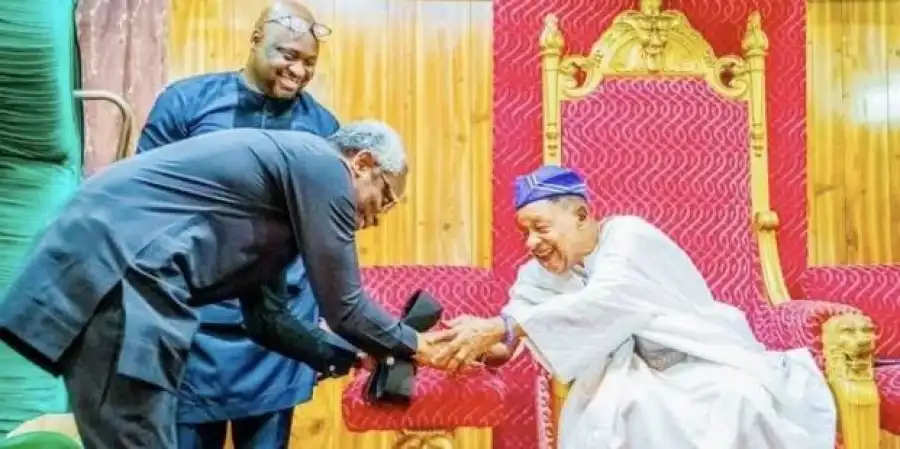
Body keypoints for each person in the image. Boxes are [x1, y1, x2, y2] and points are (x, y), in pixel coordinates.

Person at [0, 121, 442, 449]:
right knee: (138, 436)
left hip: (106, 269)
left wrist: (354, 356)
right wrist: (419, 346)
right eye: (385, 197)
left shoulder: (280, 201)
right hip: (124, 271)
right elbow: (345, 307)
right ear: (362, 163)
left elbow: (267, 319)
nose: (378, 217)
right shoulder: (324, 166)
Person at [431, 166, 837, 448]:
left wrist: (501, 327)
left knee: (738, 400)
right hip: (624, 375)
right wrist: (470, 346)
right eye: (525, 233)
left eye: (541, 228)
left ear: (581, 215)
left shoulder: (628, 236)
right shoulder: (538, 273)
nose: (532, 243)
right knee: (619, 411)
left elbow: (606, 299)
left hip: (699, 360)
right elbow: (512, 335)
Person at [136, 2, 343, 447]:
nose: (299, 70)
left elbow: (326, 237)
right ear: (255, 40)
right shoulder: (186, 103)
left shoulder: (323, 128)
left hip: (277, 331)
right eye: (288, 55)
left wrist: (325, 323)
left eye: (309, 62)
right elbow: (144, 206)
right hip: (193, 326)